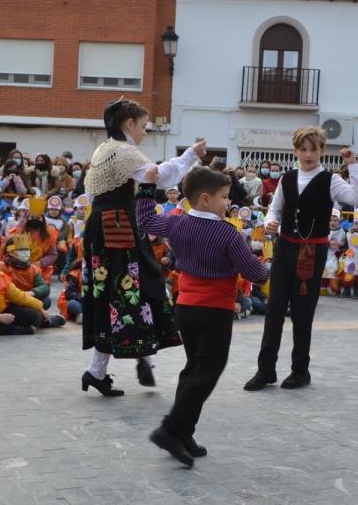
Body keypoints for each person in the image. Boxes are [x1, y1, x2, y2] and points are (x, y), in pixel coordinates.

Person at [136, 166, 268, 467]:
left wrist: (147, 186)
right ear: (206, 199)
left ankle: (183, 433)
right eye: (224, 197)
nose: (228, 203)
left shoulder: (177, 223)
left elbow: (144, 220)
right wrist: (266, 267)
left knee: (194, 368)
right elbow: (254, 272)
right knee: (207, 371)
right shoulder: (228, 234)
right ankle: (170, 430)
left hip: (185, 306)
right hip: (215, 310)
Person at [80, 97, 205, 396]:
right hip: (118, 226)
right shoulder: (123, 152)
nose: (145, 132)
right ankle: (114, 364)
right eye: (144, 125)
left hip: (102, 225)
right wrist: (190, 155)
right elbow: (160, 177)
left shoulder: (103, 148)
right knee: (131, 289)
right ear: (129, 124)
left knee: (117, 291)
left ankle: (120, 363)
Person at [244, 126, 358, 392]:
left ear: (322, 150)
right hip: (285, 248)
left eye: (313, 149)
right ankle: (266, 370)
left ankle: (300, 370)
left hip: (313, 251)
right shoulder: (287, 178)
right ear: (295, 150)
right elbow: (274, 211)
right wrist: (271, 223)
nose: (308, 154)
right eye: (303, 148)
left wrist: (352, 166)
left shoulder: (330, 179)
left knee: (302, 312)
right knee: (274, 309)